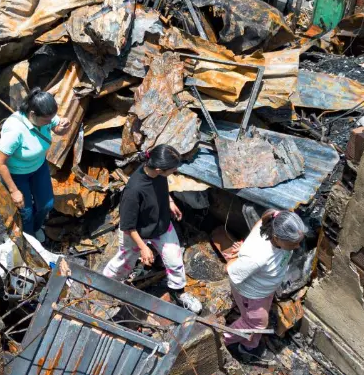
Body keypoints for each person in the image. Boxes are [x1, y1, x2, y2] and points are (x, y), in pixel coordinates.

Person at [102, 145, 202, 314]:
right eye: (172, 169)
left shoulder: (157, 174)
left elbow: (161, 190)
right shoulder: (134, 190)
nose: (175, 171)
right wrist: (144, 247)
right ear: (158, 169)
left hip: (162, 225)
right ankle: (105, 285)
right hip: (136, 233)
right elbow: (127, 226)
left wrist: (169, 202)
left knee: (174, 261)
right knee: (124, 261)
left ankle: (178, 293)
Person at [221, 209, 307, 359]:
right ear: (277, 238)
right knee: (256, 324)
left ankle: (250, 345)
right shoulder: (258, 257)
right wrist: (243, 256)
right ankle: (222, 340)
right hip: (251, 294)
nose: (298, 246)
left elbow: (268, 215)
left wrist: (244, 250)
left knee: (257, 320)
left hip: (264, 291)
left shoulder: (277, 221)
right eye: (294, 243)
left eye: (299, 242)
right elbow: (229, 270)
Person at [0, 88, 71, 241]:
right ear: (32, 114)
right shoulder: (15, 131)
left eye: (52, 118)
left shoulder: (44, 116)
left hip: (38, 167)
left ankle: (35, 229)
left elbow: (57, 129)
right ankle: (27, 239)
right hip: (17, 173)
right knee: (26, 212)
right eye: (46, 121)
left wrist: (63, 127)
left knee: (47, 204)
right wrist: (14, 191)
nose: (50, 122)